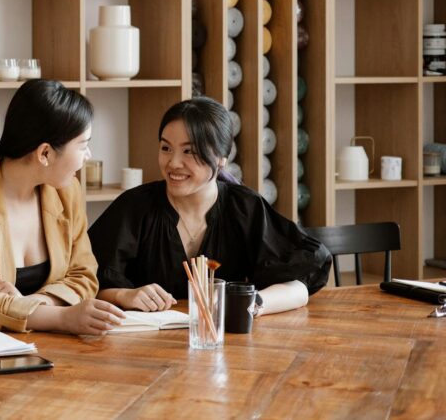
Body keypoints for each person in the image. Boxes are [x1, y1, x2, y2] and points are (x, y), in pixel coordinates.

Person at [88, 96, 331, 315]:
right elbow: (84, 281)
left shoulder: (244, 207)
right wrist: (125, 295)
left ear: (221, 158)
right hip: (143, 353)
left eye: (189, 151)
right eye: (166, 148)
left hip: (225, 348)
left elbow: (300, 286)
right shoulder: (134, 206)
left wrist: (251, 304)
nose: (173, 163)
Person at [0, 80, 125, 335]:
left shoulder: (67, 191)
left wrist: (35, 305)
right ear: (44, 154)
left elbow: (84, 275)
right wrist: (61, 317)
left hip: (44, 348)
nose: (88, 156)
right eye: (83, 145)